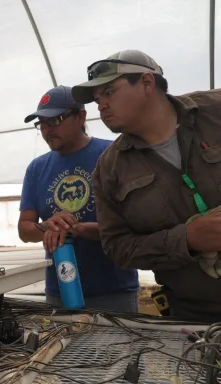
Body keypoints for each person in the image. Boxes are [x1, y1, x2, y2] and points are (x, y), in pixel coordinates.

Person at [72, 49, 221, 322]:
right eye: (96, 99)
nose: (100, 105)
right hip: (195, 318)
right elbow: (117, 246)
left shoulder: (214, 110)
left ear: (147, 83)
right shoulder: (109, 169)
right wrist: (186, 239)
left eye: (108, 92)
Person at [18, 85, 139, 311]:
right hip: (60, 290)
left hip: (114, 291)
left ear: (81, 117)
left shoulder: (113, 154)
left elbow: (134, 224)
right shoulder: (36, 168)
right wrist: (46, 227)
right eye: (41, 124)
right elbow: (25, 230)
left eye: (54, 121)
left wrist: (79, 229)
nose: (46, 129)